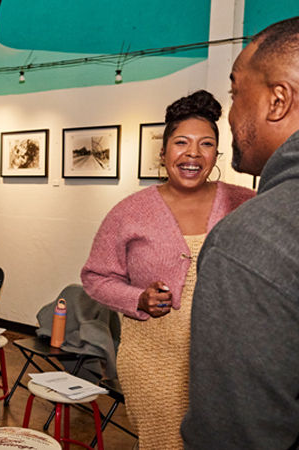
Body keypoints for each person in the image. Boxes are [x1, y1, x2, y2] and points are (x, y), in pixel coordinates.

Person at [81, 90, 253, 449]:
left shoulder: (245, 203)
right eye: (181, 143)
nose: (193, 153)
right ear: (163, 152)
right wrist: (137, 298)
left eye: (206, 144)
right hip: (154, 365)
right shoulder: (129, 212)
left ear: (216, 155)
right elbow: (96, 277)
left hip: (230, 365)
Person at [182, 13, 299, 448]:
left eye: (236, 93)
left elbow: (235, 434)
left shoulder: (254, 238)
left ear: (277, 100)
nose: (232, 114)